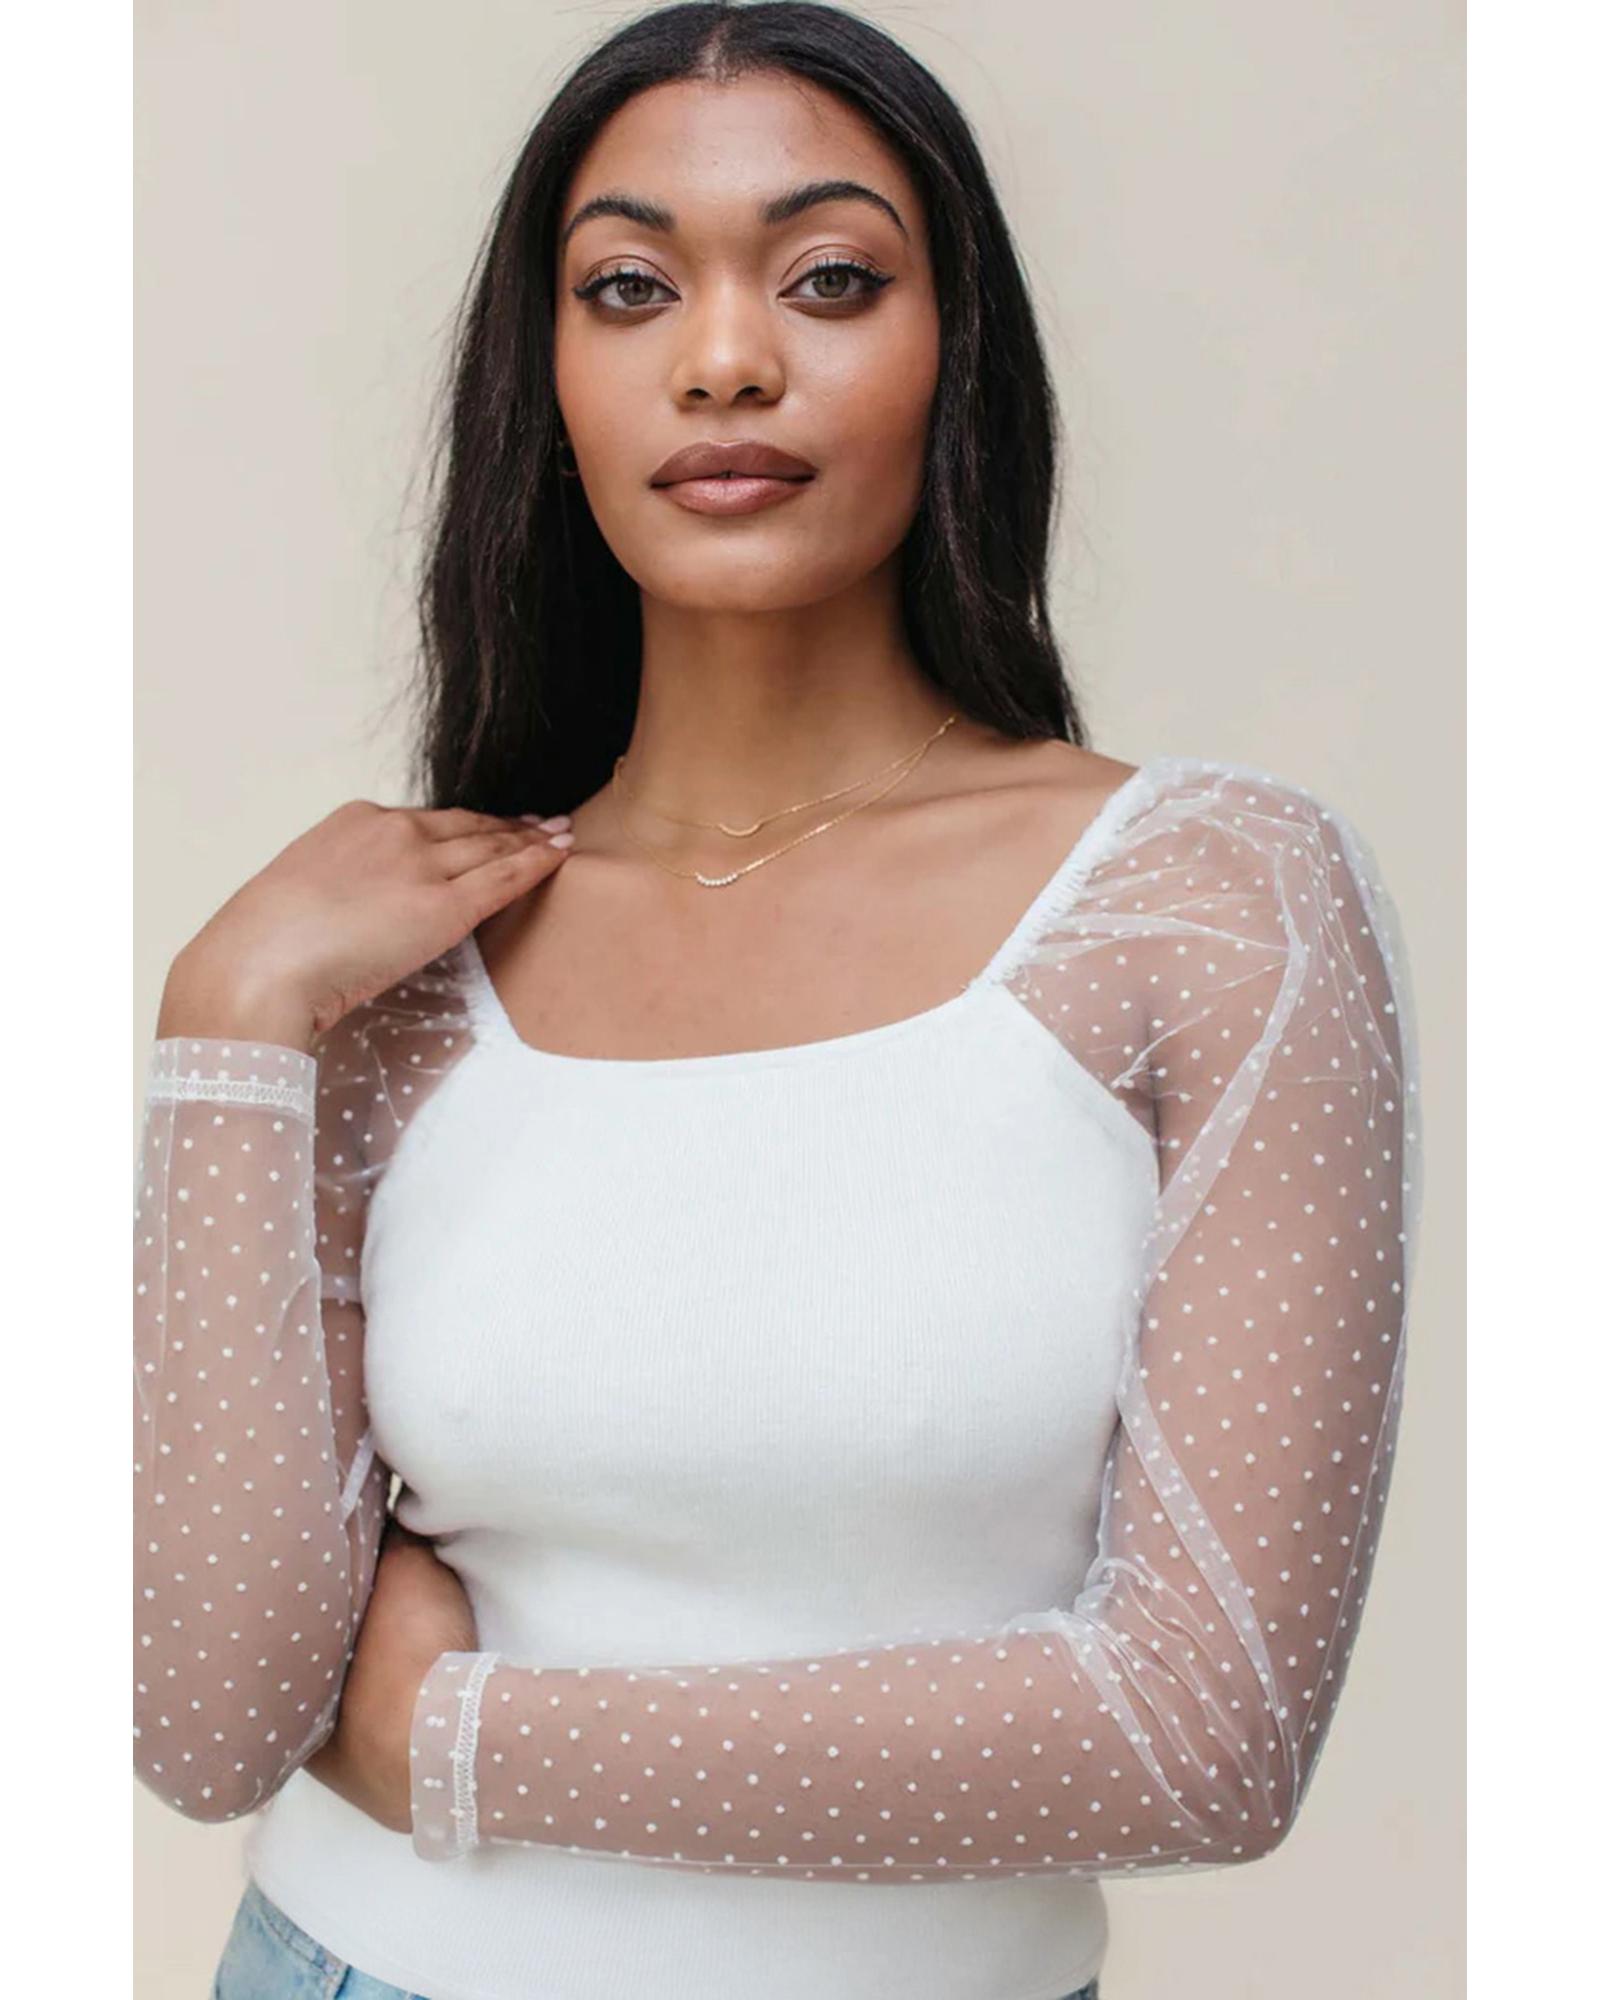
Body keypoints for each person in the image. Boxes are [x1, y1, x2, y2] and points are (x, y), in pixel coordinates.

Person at [132, 6, 1425, 1998]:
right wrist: (221, 1022)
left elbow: (1204, 1738)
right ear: (549, 381)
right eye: (628, 287)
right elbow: (209, 1724)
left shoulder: (1206, 903)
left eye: (828, 279)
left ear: (957, 353)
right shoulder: (403, 965)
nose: (724, 358)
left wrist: (453, 1744)